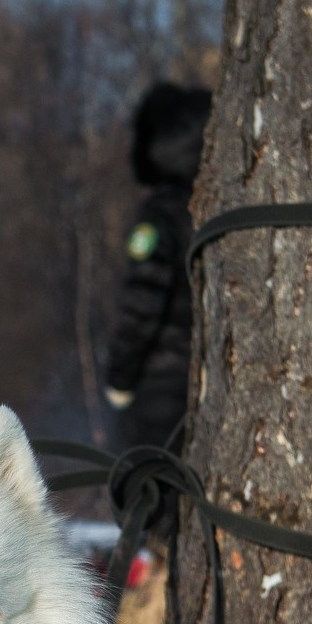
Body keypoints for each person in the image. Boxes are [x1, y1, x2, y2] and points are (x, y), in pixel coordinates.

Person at [104, 83, 212, 452]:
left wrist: (121, 376)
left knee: (148, 491)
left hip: (162, 382)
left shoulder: (159, 216)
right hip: (212, 372)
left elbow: (143, 299)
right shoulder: (215, 207)